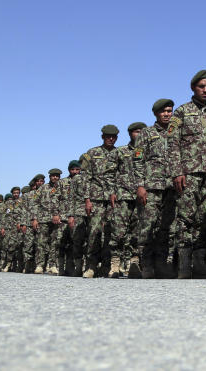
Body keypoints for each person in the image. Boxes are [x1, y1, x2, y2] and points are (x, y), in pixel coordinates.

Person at [168, 70, 206, 279]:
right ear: (193, 88)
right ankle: (184, 264)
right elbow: (172, 144)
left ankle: (199, 262)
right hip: (188, 173)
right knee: (185, 218)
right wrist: (177, 171)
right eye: (202, 87)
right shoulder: (181, 112)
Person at [133, 99, 177, 278]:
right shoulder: (146, 133)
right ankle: (146, 264)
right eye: (163, 111)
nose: (167, 114)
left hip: (171, 187)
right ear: (156, 114)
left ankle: (161, 263)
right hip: (151, 186)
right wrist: (140, 185)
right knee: (148, 225)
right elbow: (137, 161)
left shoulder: (175, 132)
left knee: (167, 226)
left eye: (169, 111)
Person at [78, 124, 122, 277]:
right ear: (102, 137)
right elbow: (85, 178)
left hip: (114, 199)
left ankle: (108, 265)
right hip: (96, 198)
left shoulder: (120, 153)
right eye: (108, 136)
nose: (111, 139)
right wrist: (87, 200)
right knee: (94, 232)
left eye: (114, 137)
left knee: (111, 232)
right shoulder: (92, 153)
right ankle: (91, 265)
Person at [110, 122, 146, 277]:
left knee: (137, 231)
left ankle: (134, 262)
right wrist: (112, 192)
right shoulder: (120, 152)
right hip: (123, 195)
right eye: (135, 132)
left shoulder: (147, 151)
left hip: (141, 196)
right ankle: (115, 264)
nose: (138, 134)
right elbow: (110, 174)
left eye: (141, 132)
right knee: (118, 231)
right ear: (130, 134)